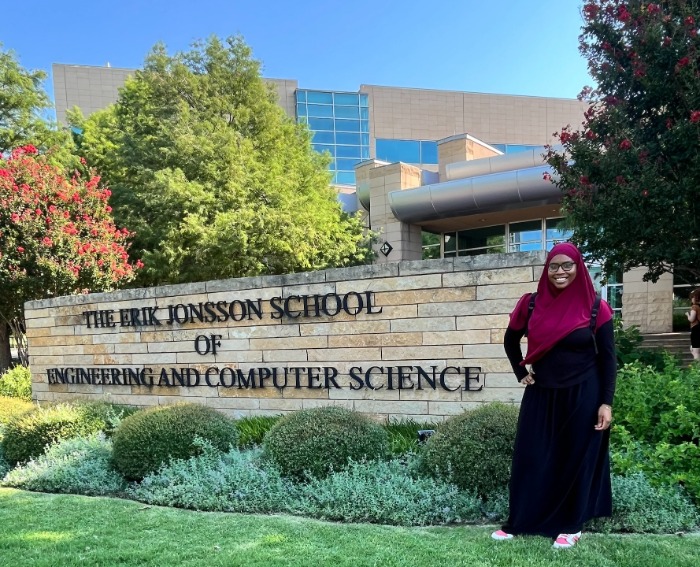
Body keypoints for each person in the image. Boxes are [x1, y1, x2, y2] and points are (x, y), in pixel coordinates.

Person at [491, 242, 616, 549]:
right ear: (547, 270)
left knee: (575, 459)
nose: (560, 272)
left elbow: (609, 359)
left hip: (583, 394)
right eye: (554, 266)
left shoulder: (596, 308)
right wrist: (521, 372)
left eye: (567, 266)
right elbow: (510, 341)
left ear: (579, 268)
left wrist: (606, 403)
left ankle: (571, 526)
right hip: (542, 393)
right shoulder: (531, 304)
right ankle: (519, 521)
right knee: (531, 457)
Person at [686, 290, 700, 360]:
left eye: (692, 297)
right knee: (693, 349)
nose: (691, 299)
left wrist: (688, 315)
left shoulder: (694, 307)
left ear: (695, 298)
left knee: (696, 352)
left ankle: (697, 369)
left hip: (696, 329)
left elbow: (691, 319)